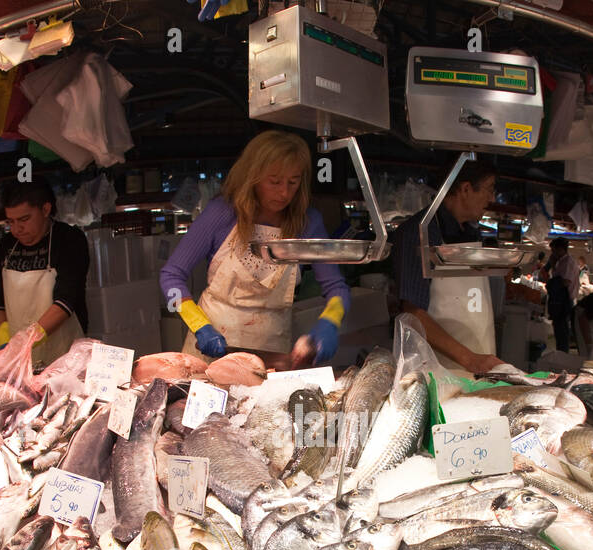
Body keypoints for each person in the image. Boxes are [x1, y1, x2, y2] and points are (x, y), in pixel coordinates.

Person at [159, 131, 350, 365]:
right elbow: (171, 277)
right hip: (211, 347)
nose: (284, 192)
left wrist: (330, 323)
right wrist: (199, 325)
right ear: (253, 176)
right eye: (275, 181)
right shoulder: (222, 213)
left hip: (272, 354)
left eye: (293, 181)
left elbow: (337, 288)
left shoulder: (308, 222)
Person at [390, 159, 502, 375]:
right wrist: (469, 359)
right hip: (437, 372)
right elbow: (413, 314)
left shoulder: (471, 232)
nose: (492, 198)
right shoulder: (420, 232)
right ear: (466, 189)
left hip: (477, 365)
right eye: (489, 189)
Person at [0, 177, 90, 367]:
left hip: (63, 355)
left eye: (24, 219)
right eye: (11, 221)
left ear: (45, 209)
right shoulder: (6, 245)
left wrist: (27, 342)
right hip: (16, 359)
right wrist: (4, 340)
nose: (17, 229)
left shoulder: (69, 239)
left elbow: (66, 300)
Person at [544, 238, 581, 354]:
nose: (552, 253)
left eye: (553, 250)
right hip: (560, 300)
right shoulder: (561, 262)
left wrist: (552, 283)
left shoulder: (568, 262)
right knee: (559, 329)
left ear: (560, 249)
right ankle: (561, 351)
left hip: (565, 301)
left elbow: (566, 281)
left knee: (562, 330)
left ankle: (563, 353)